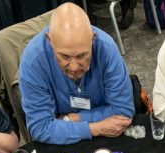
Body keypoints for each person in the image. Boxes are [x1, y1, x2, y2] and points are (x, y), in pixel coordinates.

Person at [18, 2, 135, 144]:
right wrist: (93, 128)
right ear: (50, 40)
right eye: (64, 57)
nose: (74, 68)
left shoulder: (107, 48)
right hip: (64, 142)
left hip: (102, 136)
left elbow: (123, 112)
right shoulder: (32, 61)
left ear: (93, 39)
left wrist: (72, 119)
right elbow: (40, 128)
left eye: (81, 56)